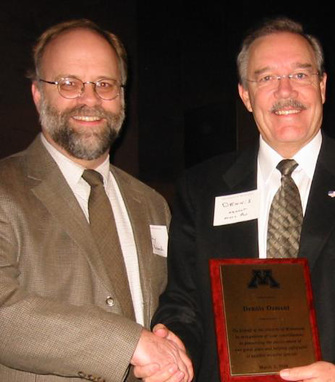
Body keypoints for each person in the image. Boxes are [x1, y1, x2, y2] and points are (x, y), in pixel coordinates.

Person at [148, 16, 335, 382]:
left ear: (323, 85)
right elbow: (185, 302)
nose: (286, 91)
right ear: (246, 96)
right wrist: (175, 345)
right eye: (266, 78)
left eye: (301, 74)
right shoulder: (201, 188)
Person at [0, 19, 192, 382]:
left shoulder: (152, 205)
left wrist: (174, 341)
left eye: (104, 85)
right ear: (38, 94)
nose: (89, 99)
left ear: (122, 96)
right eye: (69, 84)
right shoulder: (5, 190)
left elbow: (169, 304)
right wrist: (130, 344)